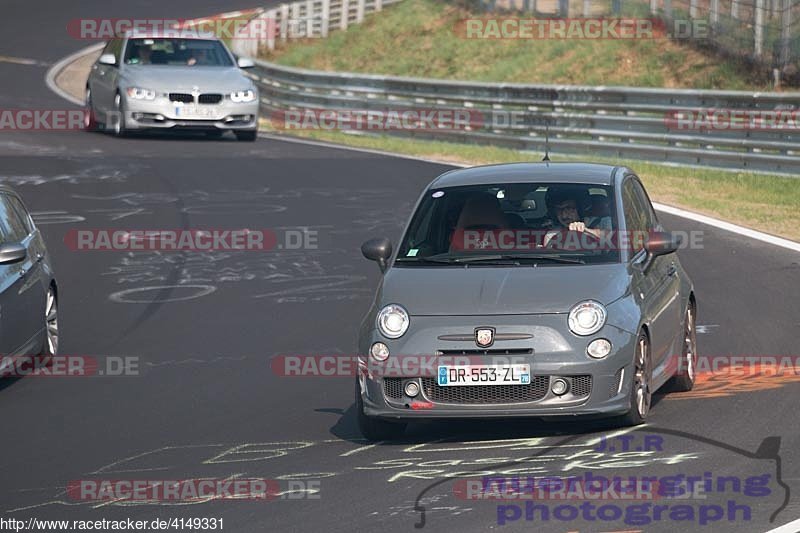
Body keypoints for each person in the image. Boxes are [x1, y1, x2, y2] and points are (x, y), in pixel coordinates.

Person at [544, 186, 609, 247]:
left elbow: (613, 240)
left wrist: (585, 230)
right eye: (559, 210)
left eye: (569, 208)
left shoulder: (604, 222)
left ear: (581, 208)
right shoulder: (552, 234)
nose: (564, 215)